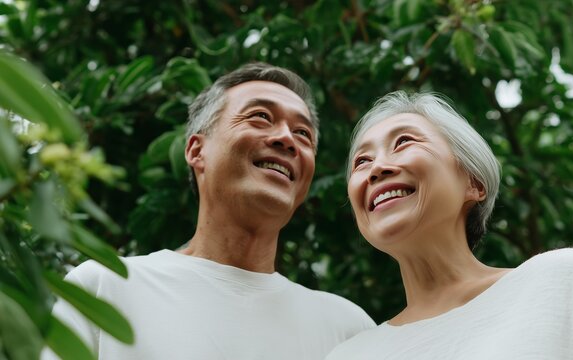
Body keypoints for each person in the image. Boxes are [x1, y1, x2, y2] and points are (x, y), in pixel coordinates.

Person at [44, 63, 375, 359]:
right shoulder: (106, 288)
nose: (286, 138)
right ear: (196, 150)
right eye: (261, 116)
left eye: (302, 133)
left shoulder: (348, 329)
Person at [326, 91, 573, 359]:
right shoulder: (350, 354)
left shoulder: (560, 282)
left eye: (404, 142)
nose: (377, 168)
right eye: (361, 162)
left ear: (473, 183)